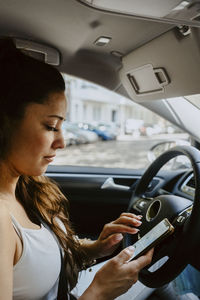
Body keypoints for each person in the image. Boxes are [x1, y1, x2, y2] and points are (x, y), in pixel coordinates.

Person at [0, 37, 154, 300]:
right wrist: (99, 293)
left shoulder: (26, 186)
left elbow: (33, 263)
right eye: (51, 126)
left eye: (62, 126)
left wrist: (93, 250)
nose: (61, 142)